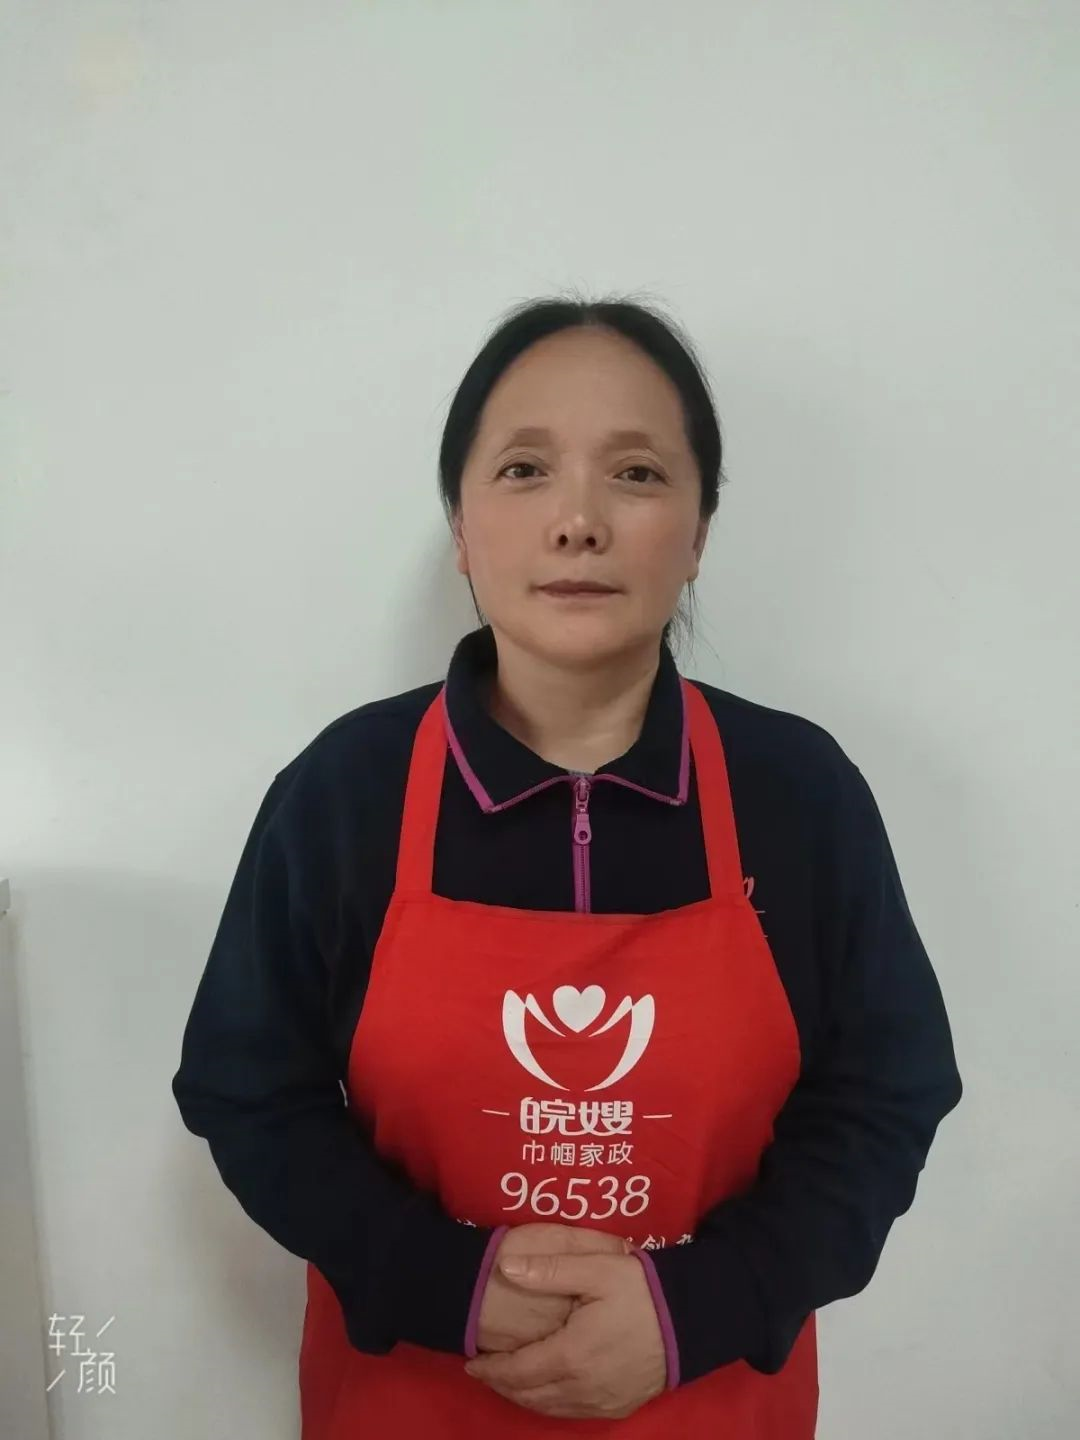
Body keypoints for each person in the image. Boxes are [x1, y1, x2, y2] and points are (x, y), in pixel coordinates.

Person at [172, 293, 963, 1437]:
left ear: (699, 531)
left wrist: (694, 1309)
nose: (579, 521)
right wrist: (448, 1284)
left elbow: (885, 1098)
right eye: (525, 470)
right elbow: (247, 1091)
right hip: (412, 1403)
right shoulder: (347, 793)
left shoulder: (799, 796)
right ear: (461, 527)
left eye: (636, 474)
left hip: (712, 1403)